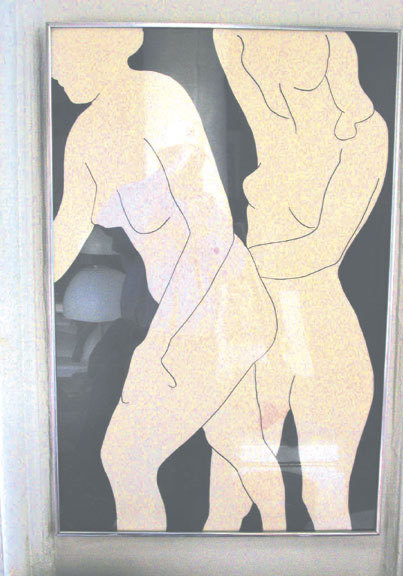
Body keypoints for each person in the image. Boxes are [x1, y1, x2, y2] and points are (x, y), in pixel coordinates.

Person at [52, 26, 286, 531]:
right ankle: (283, 544)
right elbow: (64, 236)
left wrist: (169, 340)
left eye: (65, 54)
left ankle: (283, 546)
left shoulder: (155, 98)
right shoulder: (85, 136)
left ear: (104, 48)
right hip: (194, 306)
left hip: (217, 302)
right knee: (239, 452)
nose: (56, 69)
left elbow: (210, 229)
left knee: (126, 457)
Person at [204, 29, 388, 531]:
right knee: (227, 502)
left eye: (289, 68)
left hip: (321, 336)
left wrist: (232, 266)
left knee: (324, 504)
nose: (274, 84)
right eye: (264, 66)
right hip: (256, 334)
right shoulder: (274, 118)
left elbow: (322, 248)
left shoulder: (364, 135)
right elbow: (226, 38)